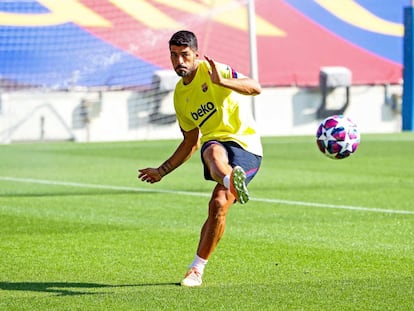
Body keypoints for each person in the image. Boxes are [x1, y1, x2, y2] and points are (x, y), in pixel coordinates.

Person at [138, 30, 263, 287]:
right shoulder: (180, 96)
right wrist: (162, 171)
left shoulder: (214, 70)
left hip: (247, 146)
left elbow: (255, 87)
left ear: (196, 53)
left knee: (218, 203)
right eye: (174, 56)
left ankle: (197, 267)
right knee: (212, 152)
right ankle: (196, 269)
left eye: (184, 55)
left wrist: (223, 82)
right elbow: (190, 142)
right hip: (215, 145)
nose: (179, 62)